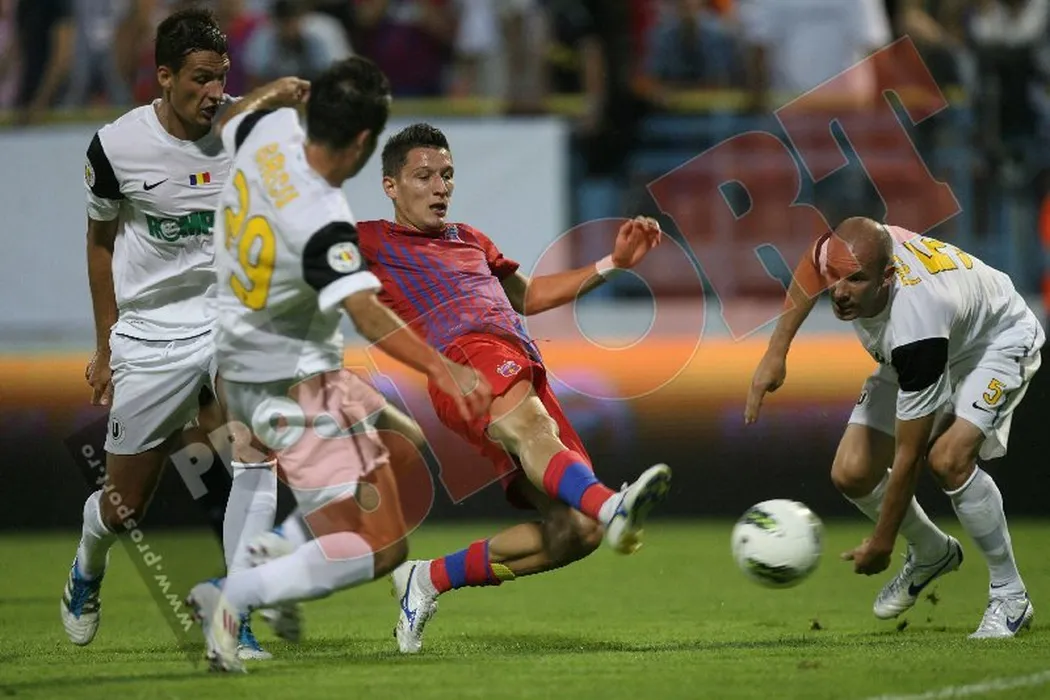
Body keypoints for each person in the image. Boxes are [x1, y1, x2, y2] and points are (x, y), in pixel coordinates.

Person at [184, 57, 492, 673]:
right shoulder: (321, 218)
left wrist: (272, 91)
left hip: (239, 367)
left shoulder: (269, 133)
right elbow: (367, 314)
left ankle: (267, 563)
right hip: (298, 383)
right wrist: (443, 369)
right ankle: (235, 594)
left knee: (380, 458)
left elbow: (226, 125)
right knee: (379, 546)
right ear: (362, 143)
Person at [351, 122, 670, 654]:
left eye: (447, 175)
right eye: (424, 176)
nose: (440, 188)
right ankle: (611, 505)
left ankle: (426, 579)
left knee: (576, 532)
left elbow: (529, 296)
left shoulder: (470, 239)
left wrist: (612, 264)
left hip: (520, 364)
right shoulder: (368, 240)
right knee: (536, 432)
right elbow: (298, 254)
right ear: (391, 185)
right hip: (463, 360)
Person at [61, 7, 285, 659]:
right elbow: (100, 243)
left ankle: (236, 613)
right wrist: (104, 346)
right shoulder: (116, 148)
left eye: (222, 78)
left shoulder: (243, 130)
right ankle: (87, 564)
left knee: (256, 446)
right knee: (124, 507)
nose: (215, 92)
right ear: (164, 76)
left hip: (226, 318)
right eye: (200, 79)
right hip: (152, 332)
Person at [746, 216, 1042, 639]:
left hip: (995, 339)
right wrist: (776, 352)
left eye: (855, 280)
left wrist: (882, 541)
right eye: (835, 277)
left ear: (887, 276)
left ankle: (1010, 594)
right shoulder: (847, 257)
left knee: (948, 459)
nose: (839, 292)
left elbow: (909, 455)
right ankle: (931, 551)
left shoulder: (916, 326)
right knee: (852, 472)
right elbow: (813, 263)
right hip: (938, 336)